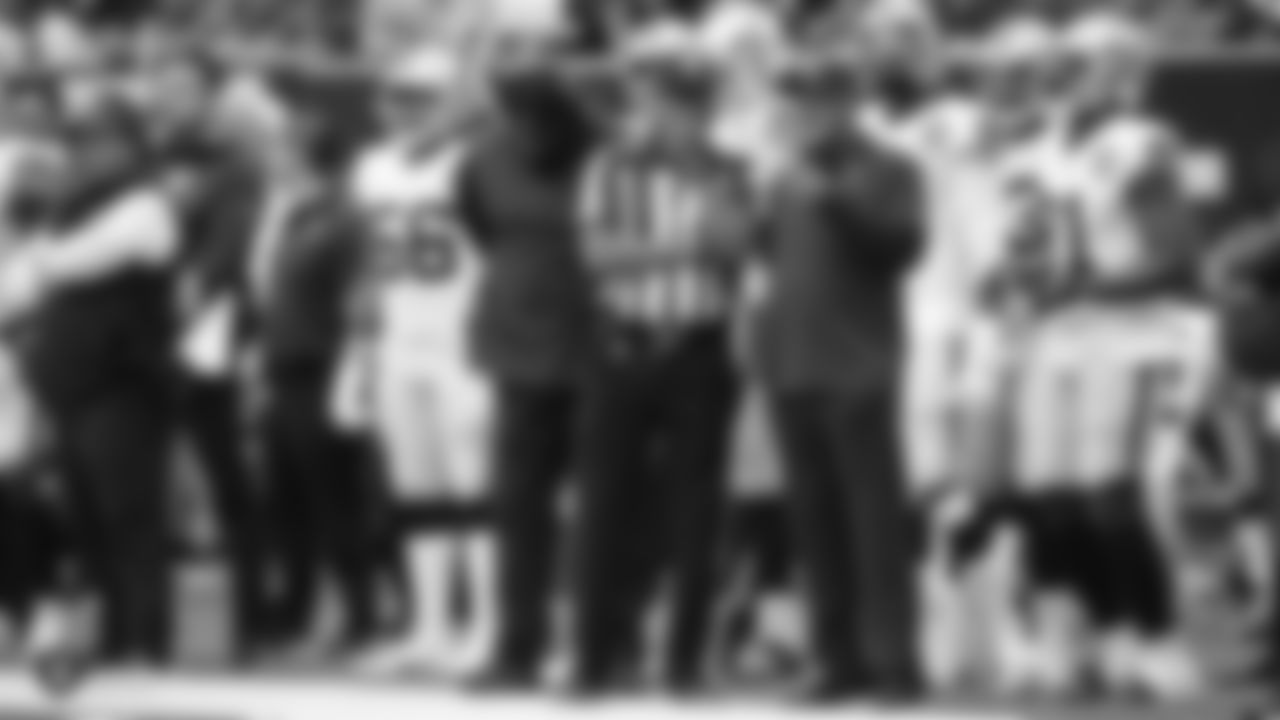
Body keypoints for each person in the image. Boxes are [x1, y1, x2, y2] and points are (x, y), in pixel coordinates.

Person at [570, 24, 751, 694]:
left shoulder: (730, 167)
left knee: (696, 513)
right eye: (661, 99)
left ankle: (685, 659)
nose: (671, 113)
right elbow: (596, 258)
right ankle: (593, 655)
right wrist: (684, 246)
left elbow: (734, 249)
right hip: (623, 342)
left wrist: (676, 238)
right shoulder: (609, 165)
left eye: (686, 101)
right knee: (604, 506)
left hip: (700, 349)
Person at [749, 56, 924, 703]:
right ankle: (835, 657)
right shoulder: (782, 173)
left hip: (859, 361)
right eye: (797, 103)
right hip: (792, 358)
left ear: (848, 102)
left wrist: (838, 200)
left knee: (873, 520)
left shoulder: (890, 167)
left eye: (817, 101)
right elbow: (770, 253)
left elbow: (902, 248)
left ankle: (895, 661)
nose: (804, 114)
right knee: (814, 519)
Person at [3, 97, 181, 667]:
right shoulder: (72, 210)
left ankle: (147, 638)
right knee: (89, 516)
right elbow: (18, 287)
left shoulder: (147, 204)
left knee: (130, 512)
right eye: (82, 142)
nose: (87, 152)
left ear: (130, 145)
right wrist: (39, 255)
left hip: (123, 384)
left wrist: (41, 254)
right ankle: (113, 633)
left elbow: (85, 260)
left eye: (100, 140)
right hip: (72, 388)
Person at [343, 47, 494, 679]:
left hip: (463, 340)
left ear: (452, 102)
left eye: (421, 97)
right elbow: (367, 266)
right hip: (400, 338)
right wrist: (360, 351)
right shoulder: (371, 166)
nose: (406, 109)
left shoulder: (474, 161)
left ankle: (491, 624)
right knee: (417, 491)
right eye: (399, 96)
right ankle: (429, 624)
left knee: (477, 490)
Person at [460, 68, 597, 689]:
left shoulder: (599, 155)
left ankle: (599, 643)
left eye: (529, 115)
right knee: (519, 505)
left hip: (592, 343)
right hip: (515, 345)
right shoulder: (484, 158)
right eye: (508, 113)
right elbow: (479, 227)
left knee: (597, 506)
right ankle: (518, 646)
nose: (518, 128)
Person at [243, 110, 379, 660]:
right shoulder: (289, 213)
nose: (272, 157)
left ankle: (360, 616)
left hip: (323, 365)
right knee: (287, 499)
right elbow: (261, 285)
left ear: (306, 157)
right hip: (282, 363)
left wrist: (353, 367)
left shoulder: (344, 217)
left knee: (334, 498)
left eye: (283, 148)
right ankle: (295, 615)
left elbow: (359, 297)